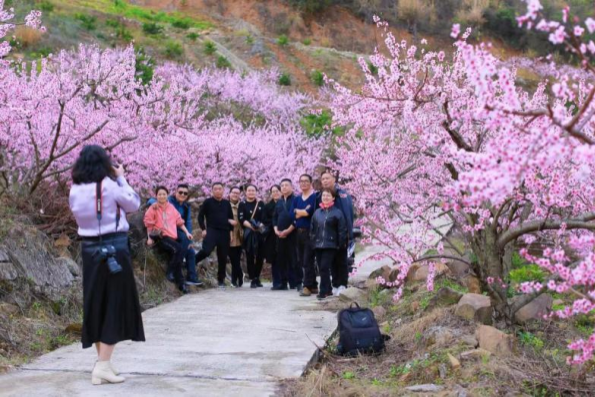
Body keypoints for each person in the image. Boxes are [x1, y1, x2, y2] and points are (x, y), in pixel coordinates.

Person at [69, 145, 145, 385]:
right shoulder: (110, 185)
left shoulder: (75, 189)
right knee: (114, 303)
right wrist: (121, 177)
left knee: (97, 302)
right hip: (114, 248)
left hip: (89, 250)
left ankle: (104, 362)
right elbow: (134, 204)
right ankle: (102, 366)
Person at [147, 184, 202, 286]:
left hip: (178, 230)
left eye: (185, 193)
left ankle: (191, 277)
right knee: (180, 248)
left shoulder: (186, 206)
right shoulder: (170, 201)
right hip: (167, 232)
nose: (182, 194)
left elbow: (188, 222)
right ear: (175, 192)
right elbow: (154, 199)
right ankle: (176, 274)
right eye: (180, 192)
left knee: (190, 251)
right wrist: (154, 203)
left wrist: (189, 237)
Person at [317, 170, 355, 296]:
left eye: (328, 178)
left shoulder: (342, 195)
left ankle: (342, 284)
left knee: (342, 260)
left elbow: (348, 215)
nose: (325, 181)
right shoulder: (320, 195)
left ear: (334, 179)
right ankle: (335, 284)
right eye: (323, 179)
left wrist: (348, 234)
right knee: (332, 262)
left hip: (341, 233)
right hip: (327, 236)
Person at [195, 182, 236, 288]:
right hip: (212, 230)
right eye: (215, 189)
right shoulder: (208, 202)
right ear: (212, 191)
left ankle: (221, 280)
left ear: (223, 190)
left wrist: (231, 232)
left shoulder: (227, 203)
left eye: (220, 188)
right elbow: (200, 216)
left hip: (224, 232)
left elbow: (230, 218)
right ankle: (193, 261)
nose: (218, 190)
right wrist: (203, 229)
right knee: (206, 250)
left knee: (222, 257)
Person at [310, 188, 348, 300]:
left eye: (328, 195)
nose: (325, 197)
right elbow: (312, 229)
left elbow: (342, 230)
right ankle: (328, 289)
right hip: (318, 245)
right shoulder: (317, 212)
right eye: (323, 196)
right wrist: (313, 241)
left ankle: (324, 291)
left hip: (330, 245)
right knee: (321, 268)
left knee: (324, 267)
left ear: (333, 198)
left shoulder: (337, 212)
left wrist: (339, 244)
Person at [291, 174, 317, 297]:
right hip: (298, 232)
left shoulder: (314, 197)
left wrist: (300, 212)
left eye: (306, 181)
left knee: (308, 260)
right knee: (302, 260)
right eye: (301, 181)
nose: (303, 183)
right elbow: (292, 215)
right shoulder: (296, 199)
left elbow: (309, 212)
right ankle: (314, 284)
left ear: (310, 183)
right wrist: (300, 212)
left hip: (309, 233)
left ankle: (307, 286)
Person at [273, 179, 302, 290]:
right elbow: (274, 217)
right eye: (282, 185)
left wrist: (288, 230)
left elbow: (297, 217)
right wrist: (276, 230)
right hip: (280, 234)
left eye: (286, 185)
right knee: (281, 259)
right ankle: (283, 283)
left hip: (293, 234)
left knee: (295, 259)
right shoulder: (279, 202)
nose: (284, 187)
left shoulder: (296, 200)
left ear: (291, 187)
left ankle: (298, 282)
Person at [239, 184, 267, 288]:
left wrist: (259, 226)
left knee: (260, 256)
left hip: (259, 232)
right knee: (250, 255)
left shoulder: (260, 203)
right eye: (249, 190)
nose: (251, 192)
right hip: (249, 233)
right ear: (245, 192)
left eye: (253, 190)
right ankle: (252, 278)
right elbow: (241, 219)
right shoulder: (242, 204)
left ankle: (257, 277)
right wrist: (252, 226)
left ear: (256, 192)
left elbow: (264, 218)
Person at [263, 185, 282, 290]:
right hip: (272, 234)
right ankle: (276, 282)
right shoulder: (267, 206)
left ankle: (288, 280)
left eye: (277, 191)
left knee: (285, 257)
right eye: (273, 191)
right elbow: (264, 220)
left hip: (285, 232)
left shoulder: (285, 203)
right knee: (274, 259)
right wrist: (274, 224)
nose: (275, 193)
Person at [228, 186, 244, 287]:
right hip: (229, 235)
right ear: (229, 193)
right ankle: (238, 275)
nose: (235, 195)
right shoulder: (225, 205)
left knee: (237, 258)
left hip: (240, 235)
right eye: (233, 192)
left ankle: (235, 279)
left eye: (237, 193)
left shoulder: (242, 205)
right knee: (233, 258)